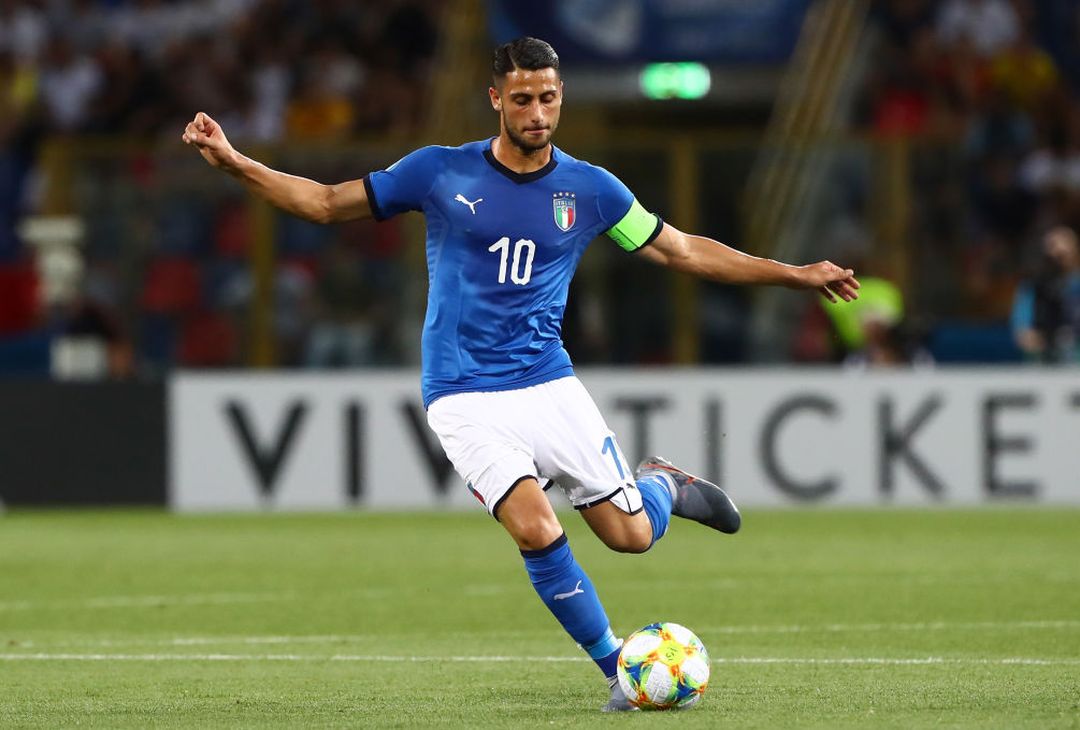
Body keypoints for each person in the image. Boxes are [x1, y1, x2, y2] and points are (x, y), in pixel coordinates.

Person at [182, 37, 860, 711]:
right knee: (535, 527)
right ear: (495, 100)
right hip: (462, 394)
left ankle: (663, 487)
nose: (538, 112)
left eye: (550, 98)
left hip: (546, 383)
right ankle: (616, 673)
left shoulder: (590, 191)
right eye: (524, 99)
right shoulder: (439, 173)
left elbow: (680, 251)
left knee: (630, 538)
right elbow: (327, 203)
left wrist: (794, 274)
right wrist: (235, 161)